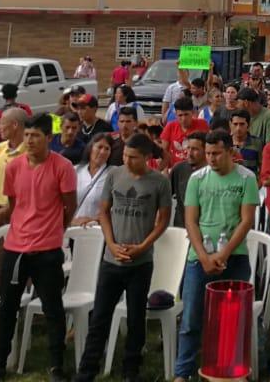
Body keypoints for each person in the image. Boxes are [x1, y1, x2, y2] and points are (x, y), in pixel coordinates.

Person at [73, 133, 172, 382]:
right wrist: (111, 243)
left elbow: (163, 220)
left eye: (133, 157)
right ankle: (87, 369)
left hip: (141, 262)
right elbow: (103, 212)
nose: (127, 160)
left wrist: (144, 246)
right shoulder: (114, 175)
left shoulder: (159, 182)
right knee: (100, 316)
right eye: (125, 155)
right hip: (111, 259)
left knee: (136, 317)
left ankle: (131, 369)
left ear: (147, 157)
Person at [0, 114, 77, 382]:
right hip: (16, 247)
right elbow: (15, 205)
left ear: (49, 137)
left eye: (35, 136)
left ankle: (56, 365)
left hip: (47, 249)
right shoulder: (14, 167)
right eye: (26, 135)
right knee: (7, 307)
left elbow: (69, 205)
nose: (30, 141)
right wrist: (16, 222)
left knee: (53, 308)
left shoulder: (62, 167)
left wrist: (55, 230)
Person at [173, 129, 259, 382]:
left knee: (233, 319)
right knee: (191, 317)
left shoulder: (246, 178)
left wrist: (224, 253)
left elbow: (246, 221)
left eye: (217, 153)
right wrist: (203, 256)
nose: (211, 158)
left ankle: (232, 368)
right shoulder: (197, 179)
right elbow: (190, 221)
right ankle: (183, 372)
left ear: (230, 152)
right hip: (199, 257)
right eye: (208, 153)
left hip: (235, 256)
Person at [74, 134, 115, 225]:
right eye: (99, 147)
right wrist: (73, 221)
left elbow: (116, 207)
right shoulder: (76, 170)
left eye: (107, 149)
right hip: (72, 227)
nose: (102, 152)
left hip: (97, 229)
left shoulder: (113, 174)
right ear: (91, 148)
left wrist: (94, 220)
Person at [169, 131, 207, 229]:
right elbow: (164, 197)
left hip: (205, 228)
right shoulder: (178, 169)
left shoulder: (214, 173)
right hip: (182, 228)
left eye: (195, 149)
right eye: (188, 148)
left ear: (206, 150)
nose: (189, 153)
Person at [161, 97, 210, 169]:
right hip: (175, 168)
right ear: (176, 114)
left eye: (186, 114)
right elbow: (164, 152)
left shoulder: (202, 124)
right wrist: (165, 170)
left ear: (192, 112)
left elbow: (208, 147)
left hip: (198, 167)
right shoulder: (170, 126)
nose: (183, 119)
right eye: (180, 115)